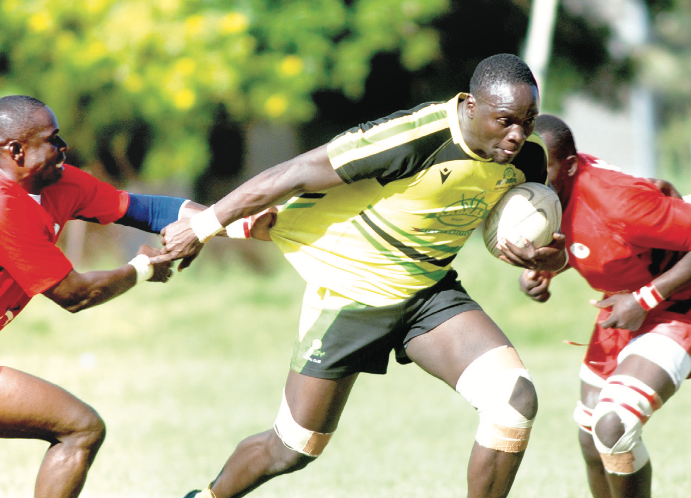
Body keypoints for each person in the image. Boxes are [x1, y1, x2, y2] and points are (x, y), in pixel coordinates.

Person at [160, 54, 565, 498]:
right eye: (505, 120)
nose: (517, 135)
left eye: (527, 122)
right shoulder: (414, 137)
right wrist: (203, 227)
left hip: (429, 294)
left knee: (514, 401)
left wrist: (548, 261)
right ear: (469, 104)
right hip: (351, 294)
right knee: (293, 448)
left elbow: (545, 241)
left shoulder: (527, 159)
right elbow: (292, 173)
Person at [0, 95, 202, 498]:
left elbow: (143, 209)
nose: (64, 147)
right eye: (53, 139)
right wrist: (143, 269)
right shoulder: (0, 208)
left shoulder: (56, 181)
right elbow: (75, 295)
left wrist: (228, 219)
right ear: (16, 151)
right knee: (81, 428)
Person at [517, 114, 691, 498]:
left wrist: (646, 298)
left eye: (539, 167)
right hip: (627, 306)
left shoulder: (615, 202)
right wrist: (550, 268)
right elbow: (606, 236)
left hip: (678, 306)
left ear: (571, 167)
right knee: (591, 435)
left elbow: (634, 209)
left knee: (614, 425)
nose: (527, 175)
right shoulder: (545, 190)